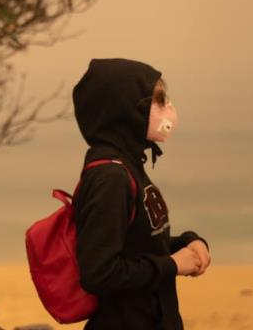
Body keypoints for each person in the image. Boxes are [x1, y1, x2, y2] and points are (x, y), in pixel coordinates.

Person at [72, 58, 211, 330]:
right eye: (158, 99)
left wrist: (188, 243)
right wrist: (172, 265)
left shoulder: (130, 165)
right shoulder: (110, 177)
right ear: (124, 110)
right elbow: (98, 273)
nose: (167, 108)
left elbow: (138, 245)